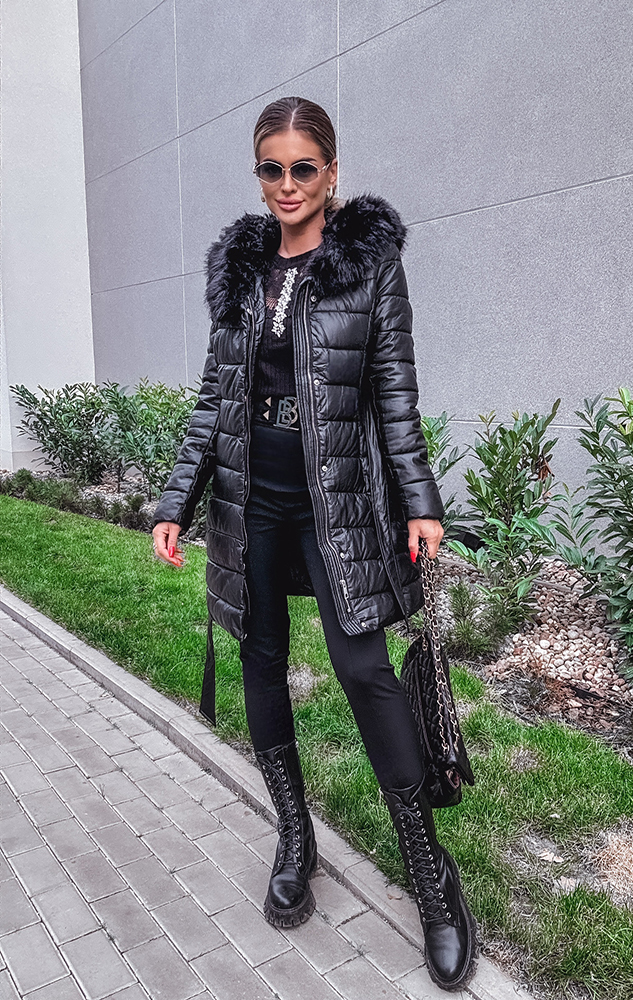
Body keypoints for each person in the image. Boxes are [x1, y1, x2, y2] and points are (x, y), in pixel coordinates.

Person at [151, 96, 475, 991]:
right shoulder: (240, 270)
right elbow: (213, 401)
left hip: (337, 501)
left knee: (363, 670)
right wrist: (176, 501)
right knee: (260, 659)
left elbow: (395, 394)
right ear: (258, 174)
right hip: (251, 499)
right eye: (272, 169)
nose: (287, 185)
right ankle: (295, 838)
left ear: (332, 172)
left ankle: (432, 880)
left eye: (303, 168)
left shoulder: (368, 266)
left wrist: (421, 502)